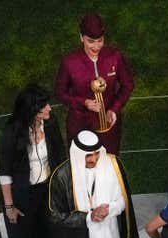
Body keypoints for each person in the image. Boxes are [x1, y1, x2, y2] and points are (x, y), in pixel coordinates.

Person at [0, 84, 66, 238]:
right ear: (31, 109)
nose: (49, 108)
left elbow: (60, 155)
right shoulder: (12, 131)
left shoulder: (51, 123)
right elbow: (5, 171)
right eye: (43, 106)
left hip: (46, 193)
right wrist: (9, 206)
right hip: (20, 197)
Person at [55, 13, 133, 154]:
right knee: (82, 166)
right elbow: (60, 92)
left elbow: (128, 85)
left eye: (100, 40)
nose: (96, 46)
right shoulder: (70, 62)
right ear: (81, 38)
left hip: (109, 127)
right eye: (91, 41)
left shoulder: (115, 56)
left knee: (109, 165)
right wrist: (83, 102)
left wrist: (114, 109)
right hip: (80, 124)